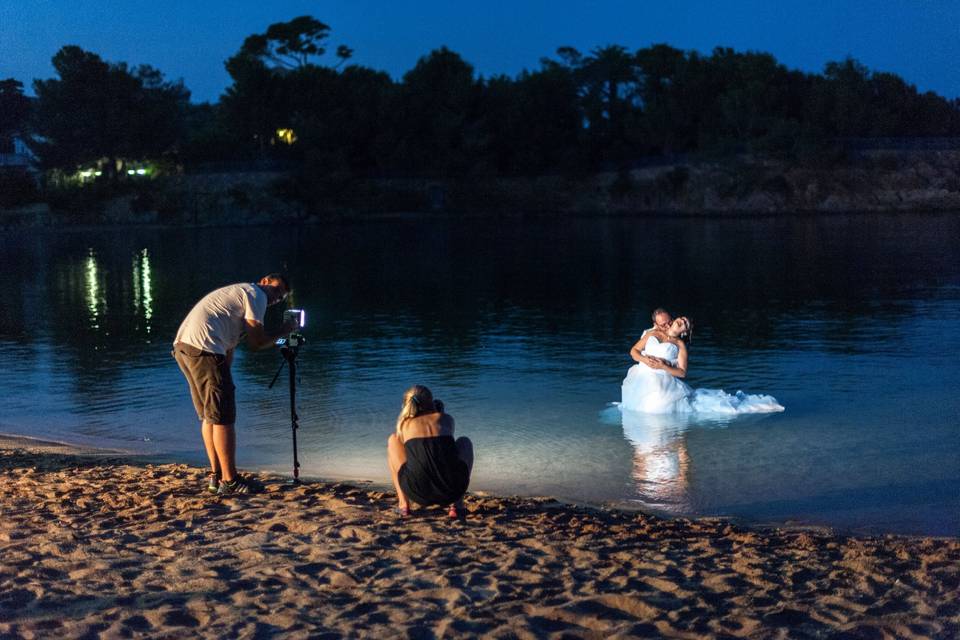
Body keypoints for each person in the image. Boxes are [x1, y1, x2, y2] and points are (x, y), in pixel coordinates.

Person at [172, 274, 296, 495]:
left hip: (186, 348)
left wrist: (281, 340)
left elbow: (232, 347)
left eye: (281, 297)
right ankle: (230, 481)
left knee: (212, 415)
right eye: (277, 291)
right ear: (265, 281)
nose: (277, 298)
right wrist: (284, 332)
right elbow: (257, 343)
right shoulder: (255, 294)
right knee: (223, 416)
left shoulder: (238, 296)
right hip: (204, 348)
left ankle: (217, 476)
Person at [620, 316, 785, 415]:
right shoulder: (652, 333)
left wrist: (663, 366)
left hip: (663, 381)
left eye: (685, 323)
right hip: (642, 376)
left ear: (685, 331)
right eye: (682, 318)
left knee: (655, 410)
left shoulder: (680, 345)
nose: (682, 321)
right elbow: (633, 351)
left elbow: (682, 373)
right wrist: (645, 360)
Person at [387, 385, 473, 518]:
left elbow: (410, 450)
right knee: (464, 442)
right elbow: (444, 448)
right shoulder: (446, 419)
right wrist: (440, 412)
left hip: (417, 492)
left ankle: (403, 505)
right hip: (452, 490)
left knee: (393, 440)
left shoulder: (404, 425)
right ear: (431, 402)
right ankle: (456, 506)